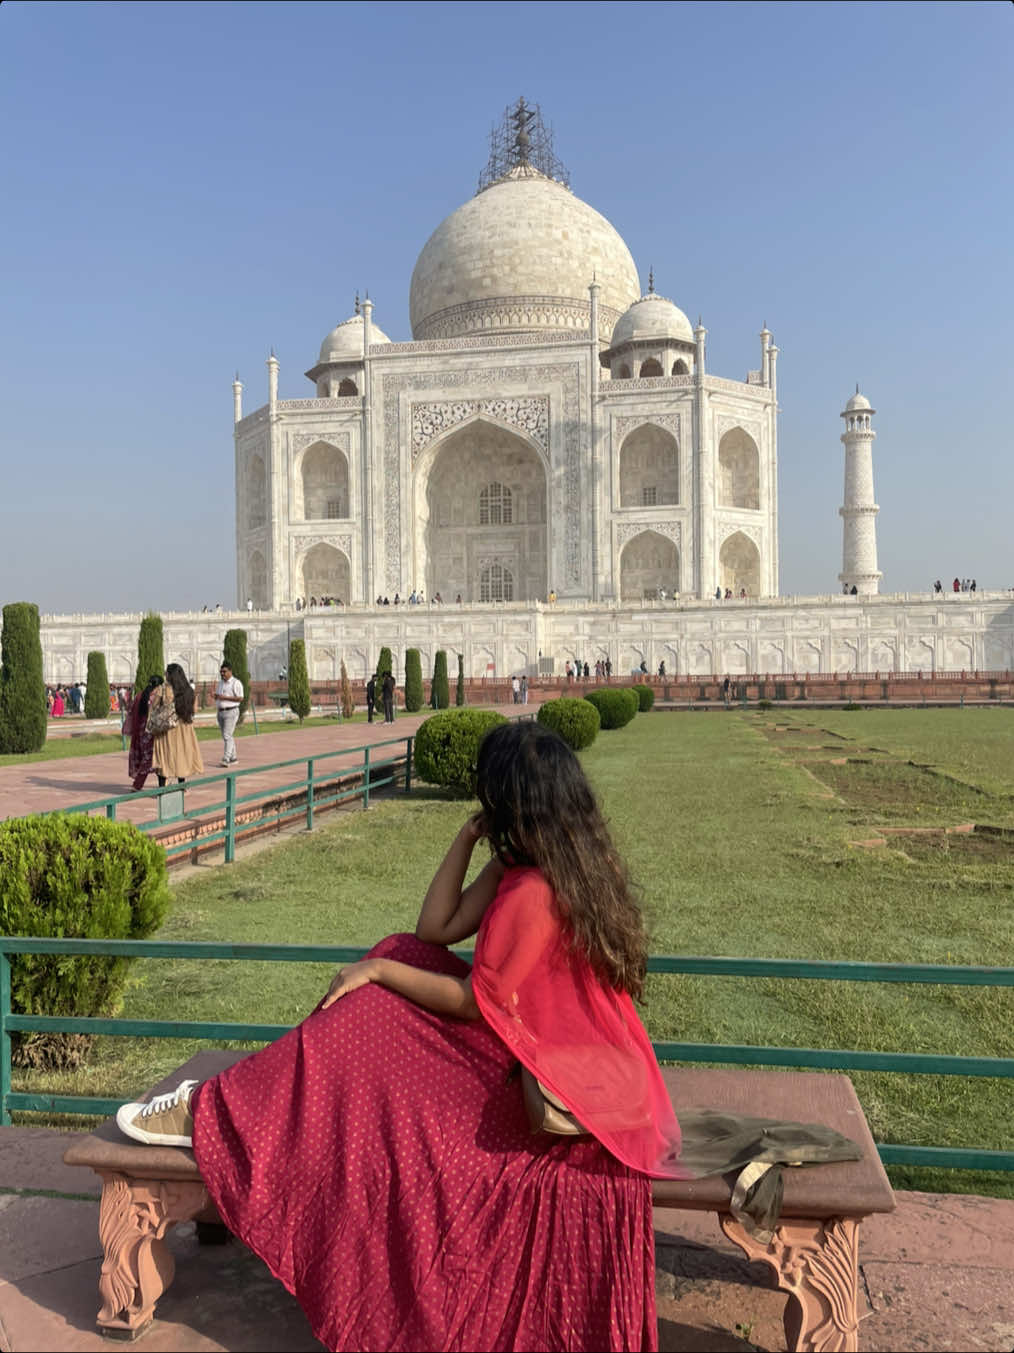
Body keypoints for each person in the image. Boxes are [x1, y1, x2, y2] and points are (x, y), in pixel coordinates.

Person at [115, 721, 680, 1352]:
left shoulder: (535, 892)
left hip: (523, 1067)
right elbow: (434, 928)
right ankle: (247, 1098)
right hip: (518, 1045)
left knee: (370, 1001)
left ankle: (217, 1109)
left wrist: (378, 972)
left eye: (486, 798)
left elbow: (473, 1004)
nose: (481, 806)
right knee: (396, 956)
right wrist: (467, 841)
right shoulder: (549, 860)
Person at [149, 663, 204, 786]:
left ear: (170, 675)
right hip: (184, 727)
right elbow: (194, 710)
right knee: (181, 756)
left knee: (164, 758)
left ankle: (162, 788)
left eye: (166, 673)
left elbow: (153, 707)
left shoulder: (163, 689)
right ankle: (182, 786)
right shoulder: (189, 690)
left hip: (167, 728)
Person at [126, 675, 162, 791]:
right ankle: (137, 784)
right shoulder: (155, 697)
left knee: (155, 759)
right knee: (149, 759)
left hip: (141, 731)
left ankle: (163, 784)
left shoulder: (140, 695)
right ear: (159, 686)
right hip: (151, 732)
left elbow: (131, 711)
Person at [213, 661, 244, 767]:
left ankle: (226, 759)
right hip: (221, 712)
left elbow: (240, 698)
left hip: (231, 711)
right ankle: (233, 758)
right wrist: (216, 696)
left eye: (224, 671)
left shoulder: (236, 683)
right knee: (227, 736)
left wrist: (224, 697)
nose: (222, 673)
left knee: (227, 735)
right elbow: (220, 696)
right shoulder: (221, 683)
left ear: (230, 671)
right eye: (221, 671)